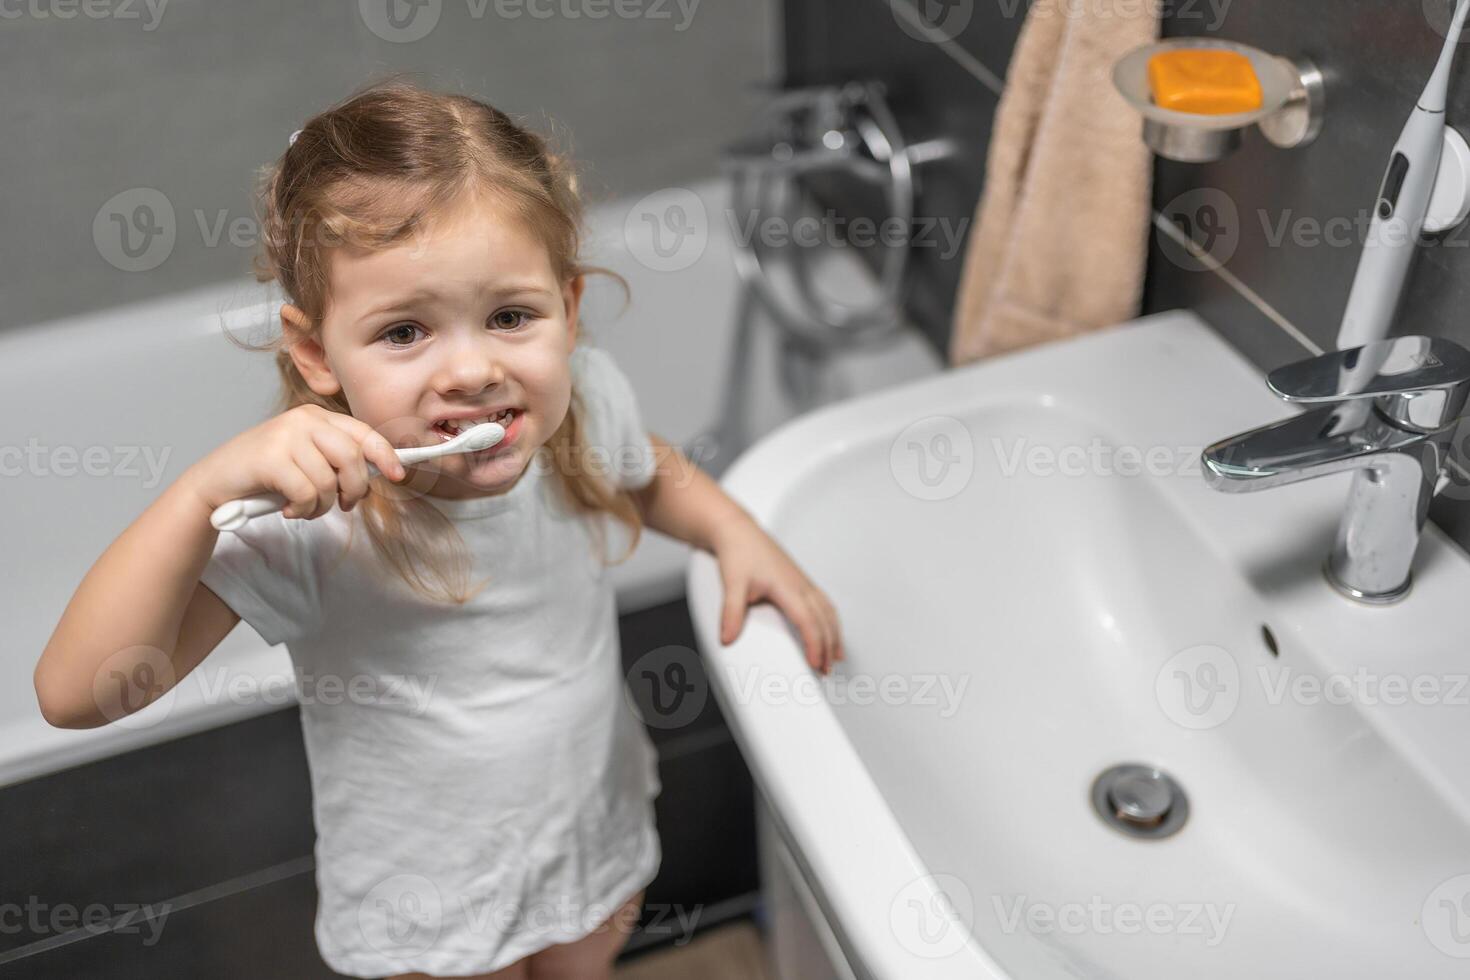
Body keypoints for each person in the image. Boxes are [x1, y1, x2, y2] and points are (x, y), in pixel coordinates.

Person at [34, 80, 845, 980]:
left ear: (568, 311)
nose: (471, 370)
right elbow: (79, 693)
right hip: (441, 891)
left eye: (510, 316)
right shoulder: (313, 529)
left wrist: (735, 534)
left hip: (589, 819)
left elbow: (649, 470)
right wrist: (195, 498)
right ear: (315, 354)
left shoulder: (582, 410)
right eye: (405, 331)